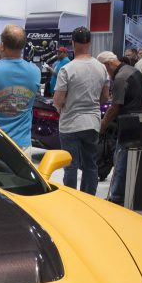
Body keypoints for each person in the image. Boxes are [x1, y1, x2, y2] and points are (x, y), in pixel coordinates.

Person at [53, 27, 110, 195]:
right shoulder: (101, 68)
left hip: (70, 124)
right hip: (92, 122)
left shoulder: (67, 69)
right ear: (90, 43)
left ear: (73, 43)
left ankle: (72, 200)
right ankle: (88, 200)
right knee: (90, 165)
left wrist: (64, 107)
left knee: (70, 167)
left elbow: (58, 100)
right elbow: (105, 98)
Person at [96, 51, 142, 204]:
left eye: (105, 70)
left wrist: (102, 125)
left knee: (120, 161)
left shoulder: (120, 77)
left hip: (127, 123)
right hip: (138, 121)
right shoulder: (133, 71)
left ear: (108, 64)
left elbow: (115, 106)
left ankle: (116, 198)